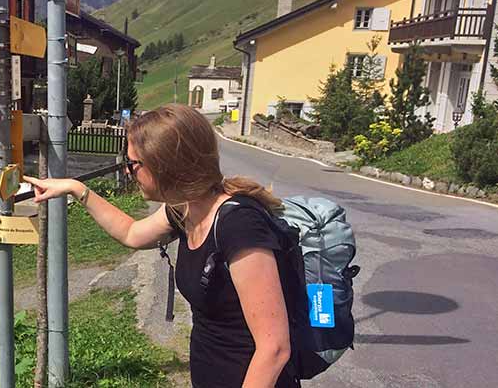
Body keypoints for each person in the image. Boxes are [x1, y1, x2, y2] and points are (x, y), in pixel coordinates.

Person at [24, 104, 300, 388]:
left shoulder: (239, 225)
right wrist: (75, 188)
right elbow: (132, 233)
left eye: (133, 164)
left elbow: (274, 348)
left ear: (165, 164)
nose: (129, 172)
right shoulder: (186, 210)